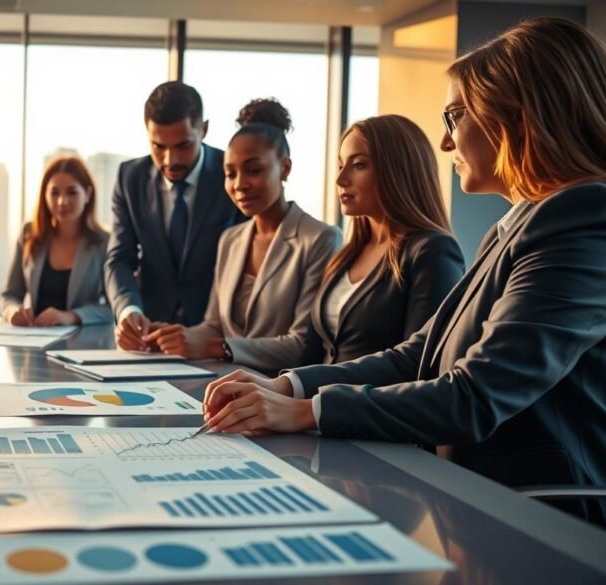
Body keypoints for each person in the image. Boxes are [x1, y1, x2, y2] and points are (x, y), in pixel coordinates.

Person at [203, 17, 606, 525]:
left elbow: (474, 396)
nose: (445, 141)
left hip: (538, 519)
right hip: (472, 501)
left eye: (455, 115)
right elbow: (418, 355)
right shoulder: (515, 226)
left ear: (517, 117)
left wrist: (308, 412)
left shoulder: (580, 221)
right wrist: (289, 387)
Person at [146, 99, 340, 375]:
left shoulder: (320, 239)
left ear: (284, 168)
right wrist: (173, 337)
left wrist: (218, 348)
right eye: (230, 173)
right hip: (220, 382)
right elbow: (214, 325)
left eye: (254, 170)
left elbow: (303, 346)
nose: (239, 185)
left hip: (278, 394)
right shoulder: (231, 239)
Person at [310, 115, 464, 365]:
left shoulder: (432, 251)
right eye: (340, 165)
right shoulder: (346, 255)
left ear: (398, 170)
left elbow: (418, 362)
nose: (340, 179)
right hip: (312, 400)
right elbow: (312, 351)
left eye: (358, 165)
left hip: (367, 403)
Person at [106, 81, 244, 350]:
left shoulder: (233, 175)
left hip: (216, 340)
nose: (170, 160)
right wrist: (127, 310)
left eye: (183, 145)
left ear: (203, 129)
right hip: (149, 340)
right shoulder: (129, 178)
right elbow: (119, 258)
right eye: (158, 146)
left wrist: (212, 340)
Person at [0, 156, 112, 326]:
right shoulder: (30, 234)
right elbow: (10, 295)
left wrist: (71, 316)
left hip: (83, 344)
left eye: (71, 192)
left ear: (88, 194)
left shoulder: (105, 242)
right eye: (54, 193)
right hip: (34, 339)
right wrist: (13, 312)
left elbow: (113, 307)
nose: (62, 201)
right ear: (44, 195)